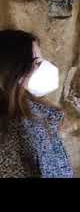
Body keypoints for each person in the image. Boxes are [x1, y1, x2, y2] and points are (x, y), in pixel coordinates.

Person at [0, 30, 73, 178]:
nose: (45, 67)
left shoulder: (34, 112)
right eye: (38, 62)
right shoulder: (12, 130)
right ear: (15, 70)